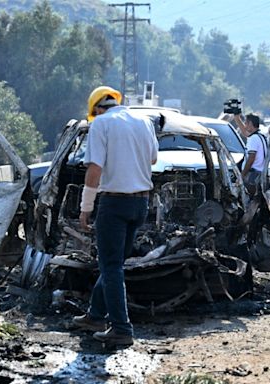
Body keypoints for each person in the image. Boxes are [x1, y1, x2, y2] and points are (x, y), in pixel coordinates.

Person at [73, 86, 159, 347]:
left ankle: (121, 328)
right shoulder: (144, 122)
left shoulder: (101, 124)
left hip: (114, 203)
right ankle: (95, 316)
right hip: (141, 202)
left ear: (97, 109)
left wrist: (85, 207)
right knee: (114, 264)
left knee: (110, 267)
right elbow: (153, 159)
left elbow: (94, 169)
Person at [234, 112, 267, 195]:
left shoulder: (253, 138)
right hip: (260, 174)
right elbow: (245, 132)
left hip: (252, 175)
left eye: (246, 123)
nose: (244, 125)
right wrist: (237, 119)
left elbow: (251, 157)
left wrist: (242, 175)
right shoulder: (260, 136)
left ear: (250, 124)